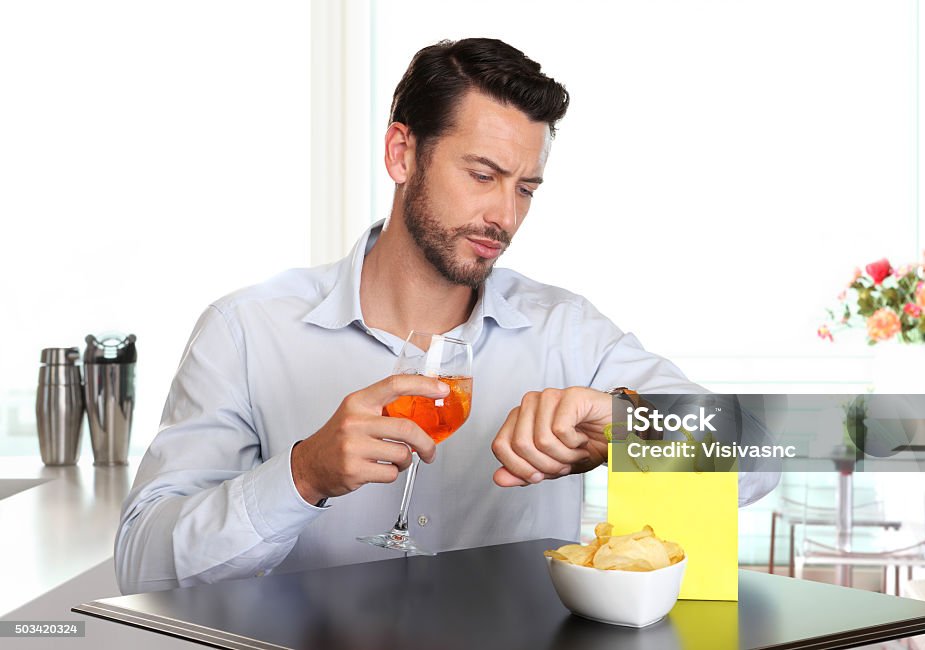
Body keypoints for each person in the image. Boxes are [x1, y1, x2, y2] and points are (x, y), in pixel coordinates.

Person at [115, 37, 777, 595]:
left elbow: (766, 454)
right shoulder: (247, 332)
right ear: (402, 153)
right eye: (483, 175)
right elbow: (143, 564)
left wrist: (630, 425)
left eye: (526, 188)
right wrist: (302, 474)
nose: (506, 217)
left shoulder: (567, 332)